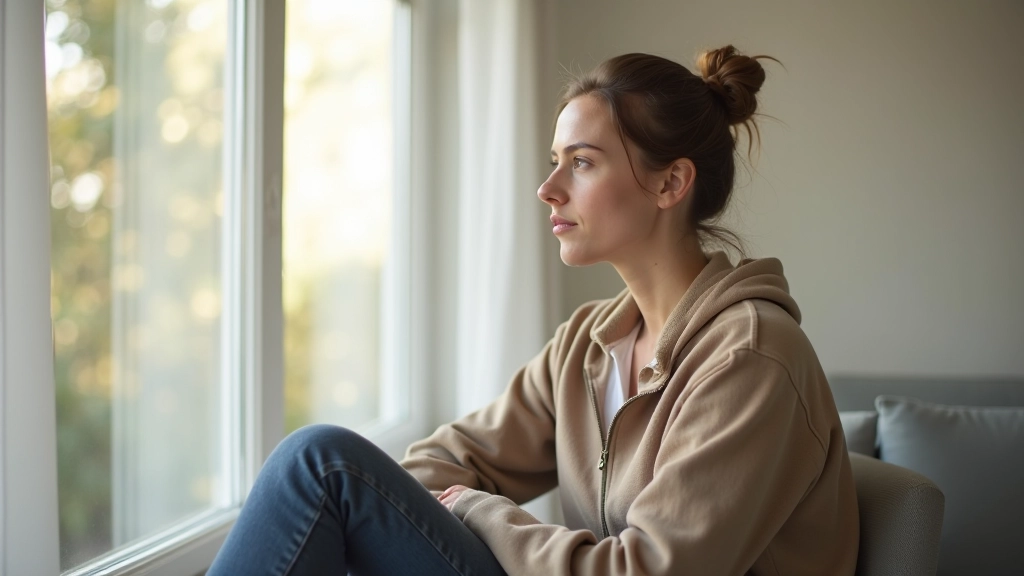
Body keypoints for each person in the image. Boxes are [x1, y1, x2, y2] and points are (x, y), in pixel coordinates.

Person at [208, 45, 859, 576]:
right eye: (555, 162)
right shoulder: (590, 343)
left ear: (670, 183)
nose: (548, 189)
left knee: (323, 464)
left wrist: (482, 514)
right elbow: (445, 462)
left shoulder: (751, 360)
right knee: (329, 473)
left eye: (582, 163)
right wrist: (450, 505)